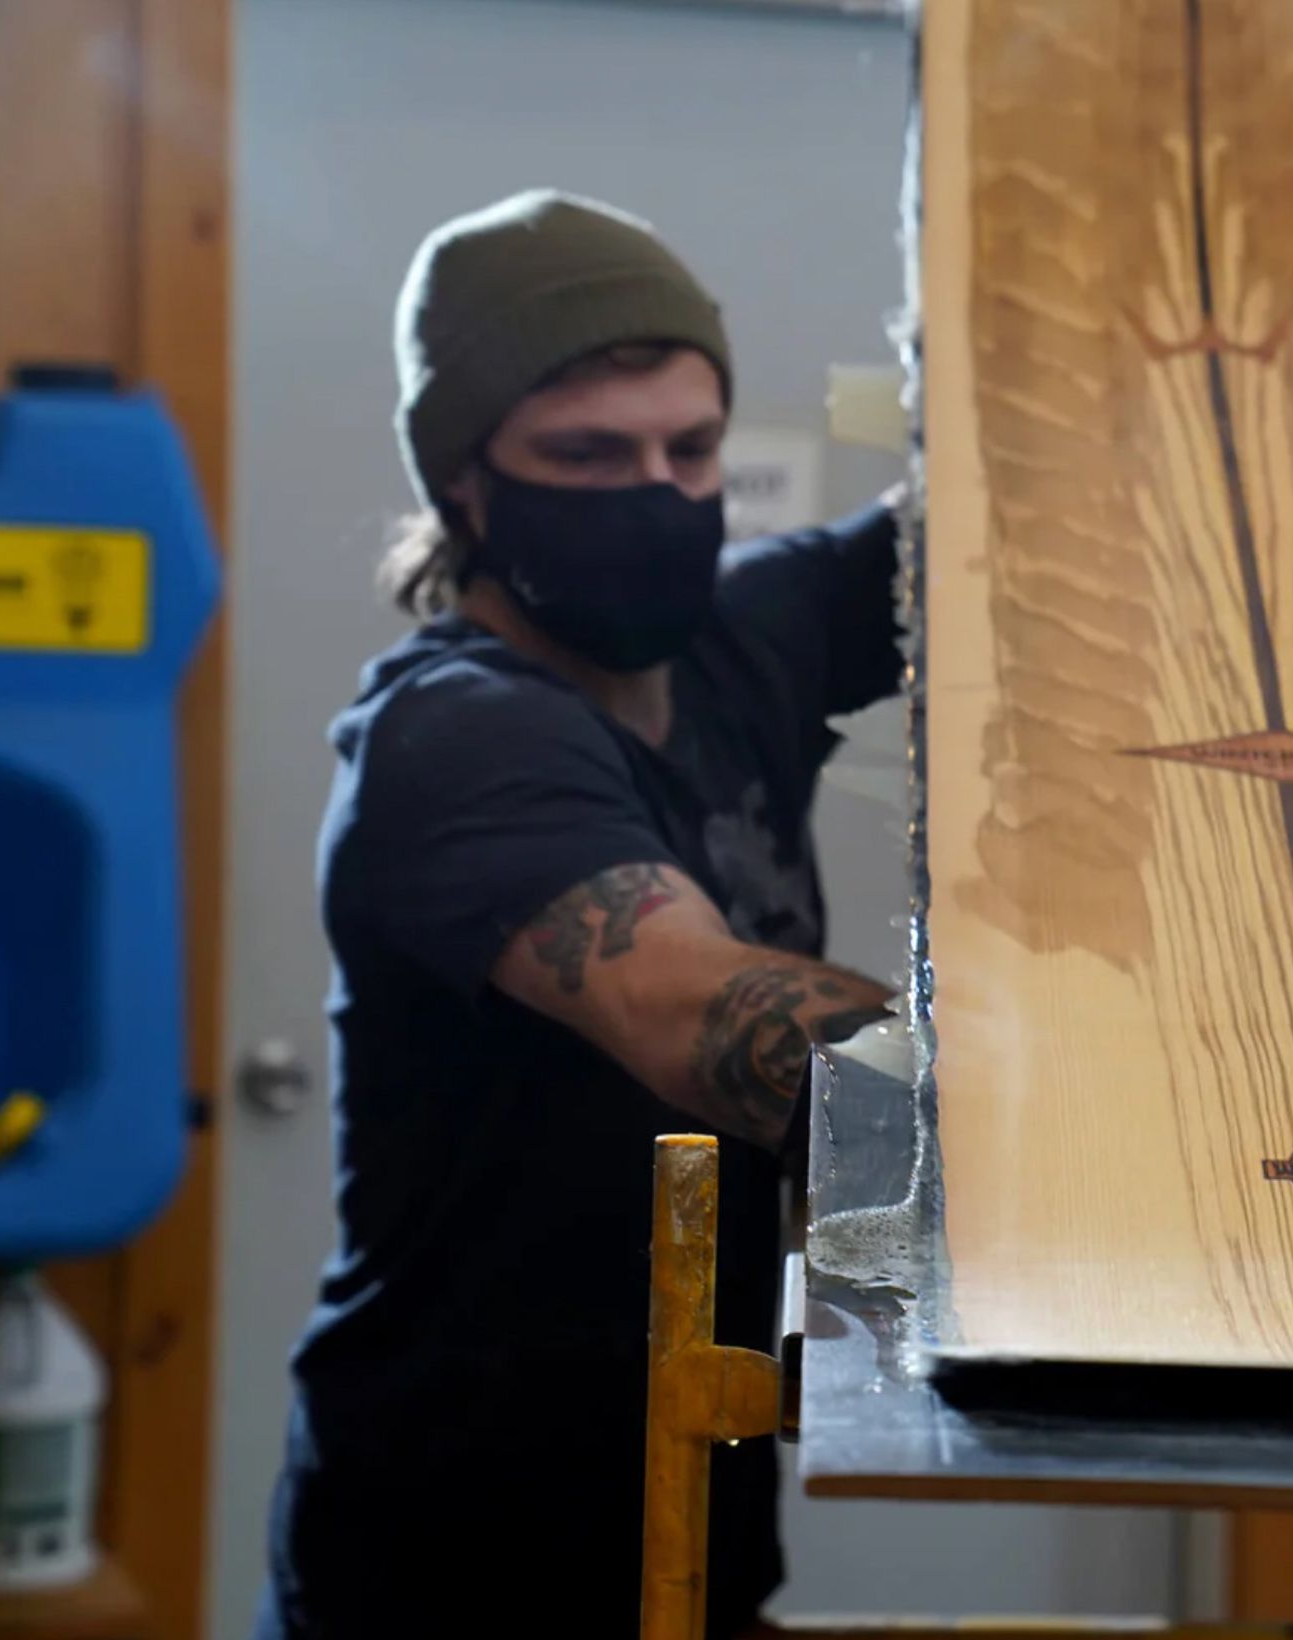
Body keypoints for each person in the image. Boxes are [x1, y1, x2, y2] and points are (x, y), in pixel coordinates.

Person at [256, 190, 902, 1639]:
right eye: (586, 457)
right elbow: (690, 1006)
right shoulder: (452, 737)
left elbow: (1008, 527)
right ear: (465, 483)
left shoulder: (747, 640)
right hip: (445, 1556)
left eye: (693, 449)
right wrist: (1085, 1106)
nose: (658, 495)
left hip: (693, 1489)